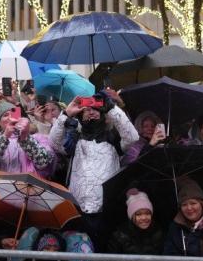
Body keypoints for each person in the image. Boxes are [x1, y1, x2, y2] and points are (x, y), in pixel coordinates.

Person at [49, 93, 138, 249]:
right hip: (78, 209)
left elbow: (132, 137)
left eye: (96, 108)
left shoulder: (113, 138)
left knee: (104, 251)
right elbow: (54, 143)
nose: (91, 112)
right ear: (81, 115)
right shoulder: (75, 138)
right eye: (86, 109)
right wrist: (66, 114)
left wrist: (111, 107)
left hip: (106, 209)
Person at [0, 100, 55, 177]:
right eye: (5, 115)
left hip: (29, 187)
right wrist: (5, 136)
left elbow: (44, 163)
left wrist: (25, 138)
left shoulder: (37, 137)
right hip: (2, 187)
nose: (10, 118)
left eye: (13, 113)